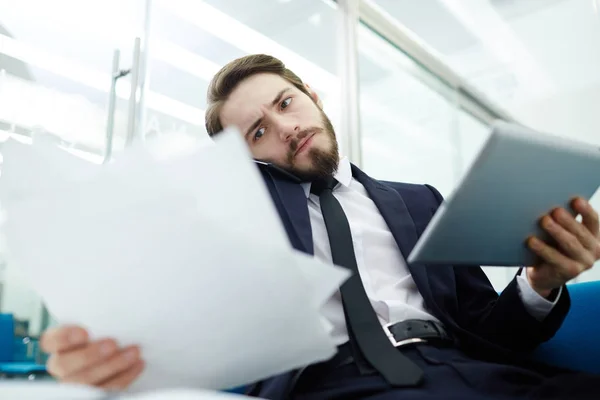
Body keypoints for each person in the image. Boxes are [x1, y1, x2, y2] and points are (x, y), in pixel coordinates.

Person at [40, 54, 600, 399]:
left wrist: (538, 282)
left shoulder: (420, 201)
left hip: (470, 372)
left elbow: (488, 330)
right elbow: (171, 312)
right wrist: (103, 350)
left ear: (310, 94)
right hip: (332, 385)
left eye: (285, 103)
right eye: (257, 132)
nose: (284, 128)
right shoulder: (239, 226)